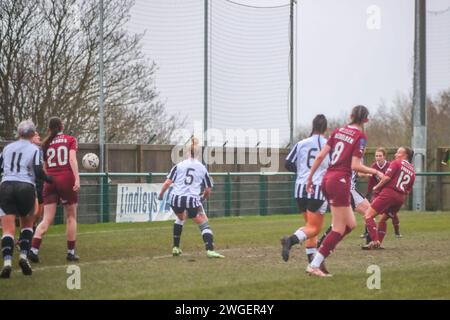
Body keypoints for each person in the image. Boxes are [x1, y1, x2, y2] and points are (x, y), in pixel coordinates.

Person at [305, 105, 384, 277]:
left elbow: (320, 156)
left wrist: (310, 178)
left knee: (351, 225)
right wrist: (376, 171)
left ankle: (322, 253)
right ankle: (315, 263)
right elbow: (354, 165)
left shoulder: (338, 131)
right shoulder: (361, 137)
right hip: (340, 181)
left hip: (327, 179)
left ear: (350, 115)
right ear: (366, 120)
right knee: (339, 228)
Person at [0, 120, 52, 278]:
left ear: (19, 133)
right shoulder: (35, 149)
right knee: (27, 225)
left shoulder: (7, 148)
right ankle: (23, 257)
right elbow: (38, 170)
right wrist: (50, 179)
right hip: (25, 186)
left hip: (6, 186)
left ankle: (7, 262)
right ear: (32, 133)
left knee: (7, 229)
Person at [158, 138, 224, 259]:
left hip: (175, 199)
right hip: (191, 199)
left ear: (187, 152)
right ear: (198, 154)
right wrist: (203, 198)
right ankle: (210, 250)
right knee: (203, 222)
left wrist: (161, 195)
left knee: (181, 217)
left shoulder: (179, 166)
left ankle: (176, 247)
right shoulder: (202, 168)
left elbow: (167, 183)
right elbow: (208, 189)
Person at [280, 114, 330, 274]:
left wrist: (302, 171)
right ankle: (290, 240)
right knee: (314, 228)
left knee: (309, 227)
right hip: (317, 189)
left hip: (300, 188)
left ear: (312, 126)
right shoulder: (329, 144)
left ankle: (312, 264)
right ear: (326, 128)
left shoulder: (301, 143)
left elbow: (288, 163)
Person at [29, 117, 80, 262]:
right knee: (71, 217)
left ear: (50, 128)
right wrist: (77, 178)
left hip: (50, 180)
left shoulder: (45, 143)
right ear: (62, 126)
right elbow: (71, 159)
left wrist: (48, 178)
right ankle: (70, 252)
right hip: (66, 179)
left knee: (46, 219)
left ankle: (33, 249)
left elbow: (44, 167)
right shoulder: (70, 139)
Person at [363, 147, 416, 249]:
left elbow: (387, 178)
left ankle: (375, 241)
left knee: (368, 215)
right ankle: (378, 244)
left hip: (389, 193)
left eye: (398, 152)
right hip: (400, 198)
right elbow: (408, 190)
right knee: (383, 220)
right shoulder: (412, 171)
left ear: (405, 155)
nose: (395, 154)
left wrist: (376, 187)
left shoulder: (396, 162)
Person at [365, 148, 401, 242]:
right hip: (377, 193)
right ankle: (367, 232)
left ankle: (397, 230)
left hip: (388, 193)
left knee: (391, 214)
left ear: (384, 156)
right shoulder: (374, 166)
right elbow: (371, 181)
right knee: (370, 211)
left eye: (380, 156)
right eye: (376, 156)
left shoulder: (390, 165)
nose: (378, 158)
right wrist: (369, 192)